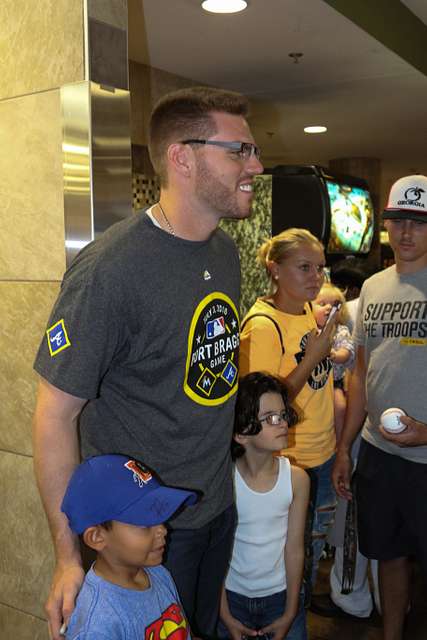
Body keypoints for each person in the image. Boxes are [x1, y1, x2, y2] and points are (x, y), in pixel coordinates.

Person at [32, 86, 263, 640]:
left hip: (215, 509)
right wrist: (69, 556)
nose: (256, 164)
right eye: (240, 151)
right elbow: (53, 417)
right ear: (183, 157)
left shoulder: (224, 251)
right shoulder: (110, 272)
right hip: (145, 534)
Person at [332, 174, 427, 640]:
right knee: (388, 554)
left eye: (419, 223)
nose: (406, 232)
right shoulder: (371, 287)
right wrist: (345, 447)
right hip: (379, 454)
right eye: (397, 221)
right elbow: (359, 374)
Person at [239, 228, 336, 600]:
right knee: (287, 565)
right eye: (305, 268)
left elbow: (319, 389)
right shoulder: (263, 325)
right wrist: (313, 355)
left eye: (320, 269)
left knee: (308, 558)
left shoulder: (309, 312)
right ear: (274, 269)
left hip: (322, 455)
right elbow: (264, 406)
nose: (316, 278)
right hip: (288, 464)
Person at [61, 454, 197, 639]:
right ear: (97, 537)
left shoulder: (158, 573)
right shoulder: (98, 626)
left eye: (160, 517)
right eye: (145, 524)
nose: (163, 530)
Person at [219, 372, 309, 640]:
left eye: (283, 415)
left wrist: (290, 612)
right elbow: (217, 550)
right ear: (241, 433)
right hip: (232, 599)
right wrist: (223, 613)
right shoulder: (224, 480)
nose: (282, 423)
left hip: (281, 597)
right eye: (270, 418)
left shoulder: (297, 479)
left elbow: (294, 549)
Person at [313, 282, 355, 442]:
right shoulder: (309, 329)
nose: (329, 308)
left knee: (340, 407)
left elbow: (347, 351)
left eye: (335, 305)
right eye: (322, 304)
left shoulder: (340, 330)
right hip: (313, 383)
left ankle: (339, 441)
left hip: (334, 382)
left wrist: (335, 355)